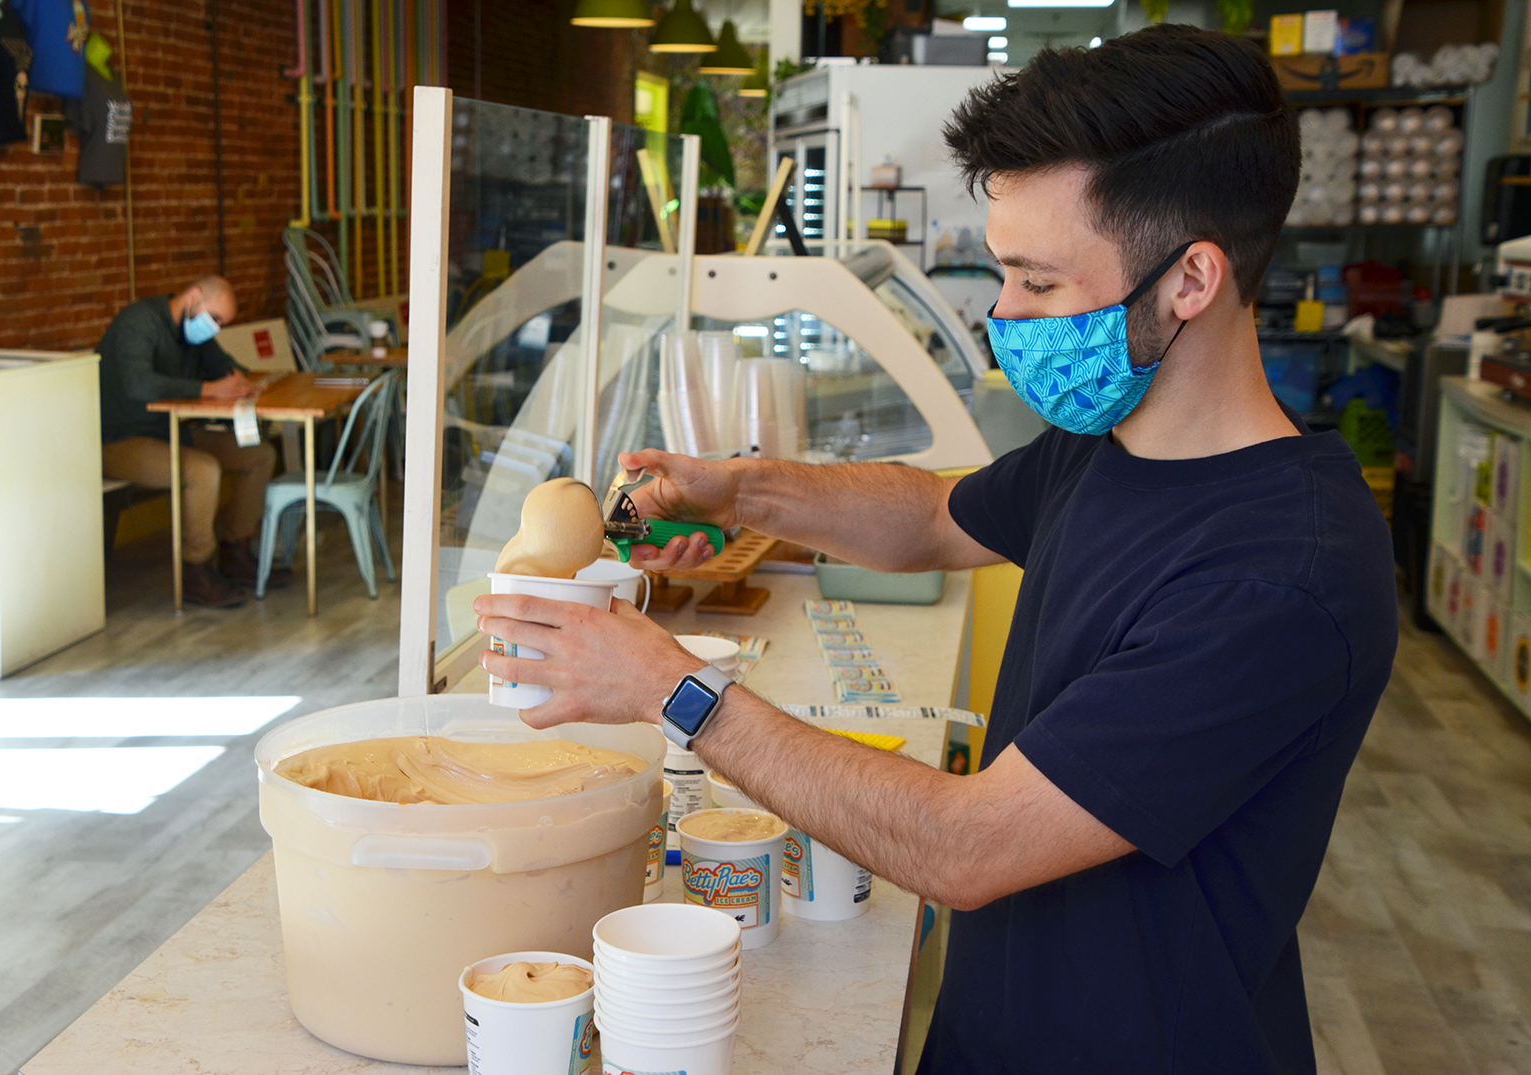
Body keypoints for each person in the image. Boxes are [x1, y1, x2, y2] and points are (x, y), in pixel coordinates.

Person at [474, 25, 1398, 1074]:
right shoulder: (1108, 447)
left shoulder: (1282, 575)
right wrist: (738, 488)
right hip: (993, 1031)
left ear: (1190, 280)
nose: (1005, 313)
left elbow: (967, 844)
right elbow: (928, 515)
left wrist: (671, 688)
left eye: (1039, 283)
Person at [98, 275, 289, 608]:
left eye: (221, 324)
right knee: (202, 470)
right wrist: (211, 390)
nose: (214, 328)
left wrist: (239, 379)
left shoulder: (193, 330)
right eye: (214, 319)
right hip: (120, 439)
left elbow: (221, 363)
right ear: (194, 297)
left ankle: (235, 550)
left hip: (170, 431)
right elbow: (137, 384)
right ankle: (196, 571)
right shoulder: (139, 323)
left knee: (258, 456)